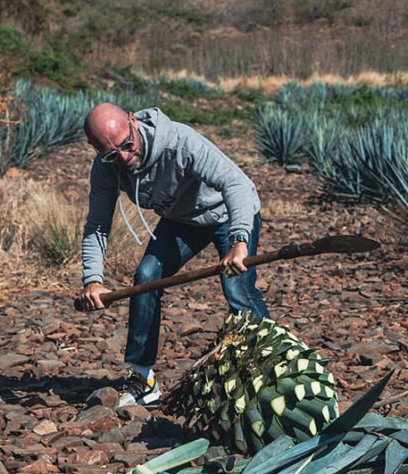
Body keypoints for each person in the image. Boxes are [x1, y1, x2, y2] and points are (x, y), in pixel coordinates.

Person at [78, 103, 270, 408]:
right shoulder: (106, 167)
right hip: (182, 221)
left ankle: (269, 369)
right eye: (113, 154)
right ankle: (143, 379)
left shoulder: (180, 142)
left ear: (133, 121)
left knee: (237, 288)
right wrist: (93, 279)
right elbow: (97, 225)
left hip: (226, 213)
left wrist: (239, 241)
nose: (124, 158)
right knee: (146, 277)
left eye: (127, 145)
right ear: (96, 149)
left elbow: (238, 185)